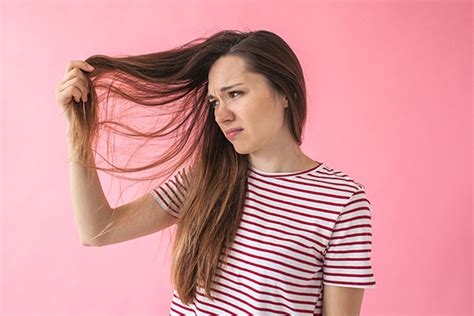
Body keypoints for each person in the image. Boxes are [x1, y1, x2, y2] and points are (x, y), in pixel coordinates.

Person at [55, 29, 376, 315]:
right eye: (214, 102)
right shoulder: (204, 179)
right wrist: (78, 130)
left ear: (284, 93)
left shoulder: (341, 200)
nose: (221, 115)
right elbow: (98, 230)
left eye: (235, 94)